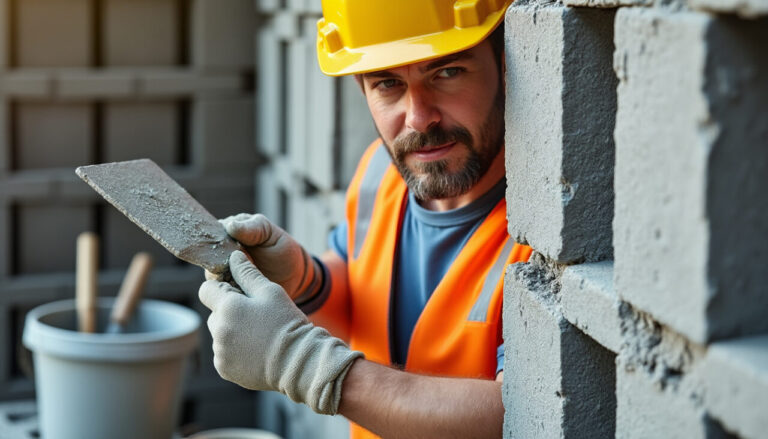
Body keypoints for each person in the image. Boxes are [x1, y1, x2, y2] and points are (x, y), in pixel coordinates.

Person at [198, 1, 532, 437]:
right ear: (361, 88)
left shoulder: (548, 230)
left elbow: (521, 414)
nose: (418, 118)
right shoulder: (381, 171)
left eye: (447, 72)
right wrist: (301, 279)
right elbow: (359, 297)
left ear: (505, 65)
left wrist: (303, 363)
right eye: (388, 83)